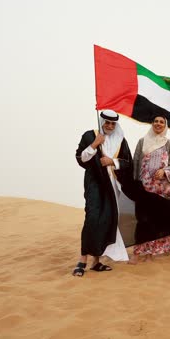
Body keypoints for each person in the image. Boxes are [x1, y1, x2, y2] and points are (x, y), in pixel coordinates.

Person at [73, 110, 132, 277]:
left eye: (113, 123)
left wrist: (111, 161)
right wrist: (94, 144)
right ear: (101, 121)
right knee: (92, 218)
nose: (110, 126)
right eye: (107, 122)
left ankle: (96, 262)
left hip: (112, 187)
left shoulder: (121, 140)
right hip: (94, 184)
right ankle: (82, 260)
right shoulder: (90, 136)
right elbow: (80, 159)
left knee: (105, 220)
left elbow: (128, 162)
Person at [129, 116, 170, 263]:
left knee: (155, 220)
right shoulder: (142, 142)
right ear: (152, 124)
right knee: (142, 219)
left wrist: (165, 171)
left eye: (161, 122)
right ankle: (138, 253)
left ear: (165, 125)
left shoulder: (169, 144)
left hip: (162, 188)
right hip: (145, 188)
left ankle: (150, 253)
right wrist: (135, 185)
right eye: (156, 121)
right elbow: (136, 162)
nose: (158, 124)